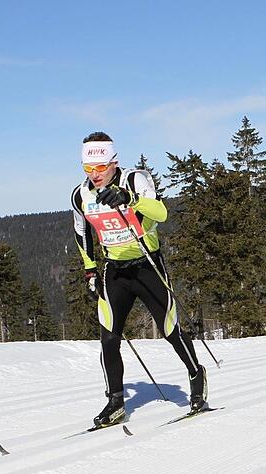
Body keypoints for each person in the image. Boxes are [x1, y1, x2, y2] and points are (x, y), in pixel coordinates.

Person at [71, 131, 207, 428]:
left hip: (147, 265)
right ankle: (115, 401)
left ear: (114, 162)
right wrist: (90, 270)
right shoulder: (80, 195)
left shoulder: (135, 180)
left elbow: (161, 213)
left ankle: (196, 375)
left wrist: (129, 199)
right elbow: (82, 233)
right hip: (115, 270)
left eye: (101, 167)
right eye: (88, 168)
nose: (95, 174)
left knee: (170, 330)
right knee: (109, 338)